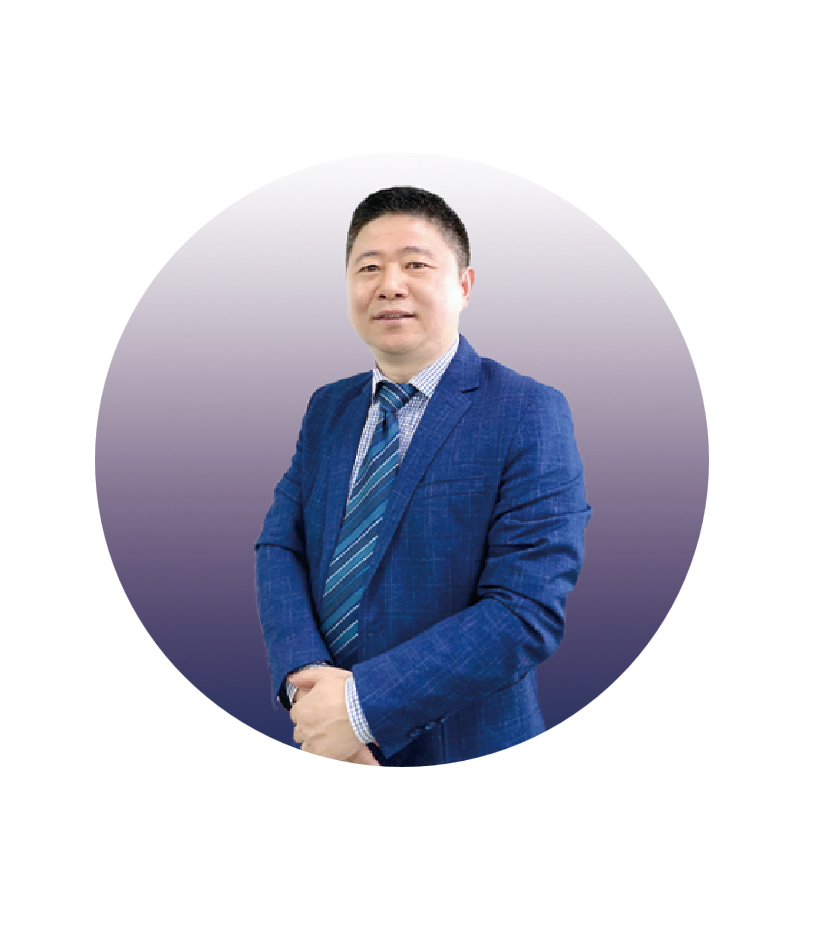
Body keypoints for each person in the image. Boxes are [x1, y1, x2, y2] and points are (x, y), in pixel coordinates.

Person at [254, 186, 591, 766]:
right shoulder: (327, 408)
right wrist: (309, 686)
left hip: (463, 744)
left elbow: (525, 610)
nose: (390, 285)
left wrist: (359, 708)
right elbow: (281, 546)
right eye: (369, 267)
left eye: (415, 264)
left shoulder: (527, 410)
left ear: (464, 285)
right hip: (322, 736)